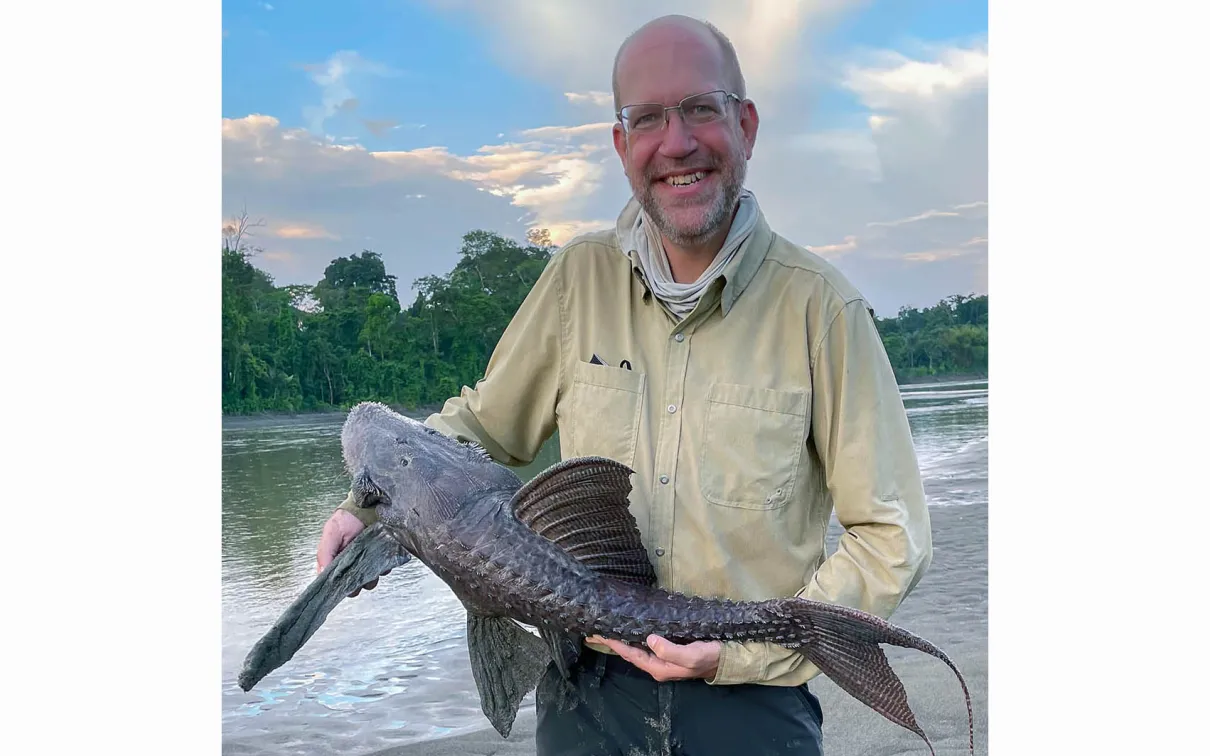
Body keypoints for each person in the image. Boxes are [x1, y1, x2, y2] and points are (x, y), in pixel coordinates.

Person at [316, 13, 932, 756]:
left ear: (746, 125)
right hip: (586, 695)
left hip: (748, 706)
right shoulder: (578, 279)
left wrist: (741, 653)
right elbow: (481, 430)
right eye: (647, 119)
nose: (676, 143)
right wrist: (367, 504)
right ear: (621, 144)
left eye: (701, 109)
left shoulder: (822, 310)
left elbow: (891, 534)